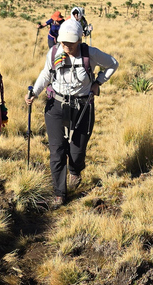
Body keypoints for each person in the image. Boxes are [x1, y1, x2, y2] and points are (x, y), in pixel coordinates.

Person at [25, 19, 118, 207]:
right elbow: (45, 74)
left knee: (77, 150)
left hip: (83, 106)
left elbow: (113, 64)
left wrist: (97, 82)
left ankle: (75, 171)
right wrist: (34, 92)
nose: (66, 46)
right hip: (56, 105)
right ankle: (60, 194)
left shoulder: (90, 54)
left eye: (71, 42)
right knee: (57, 150)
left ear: (79, 40)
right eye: (63, 42)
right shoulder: (53, 53)